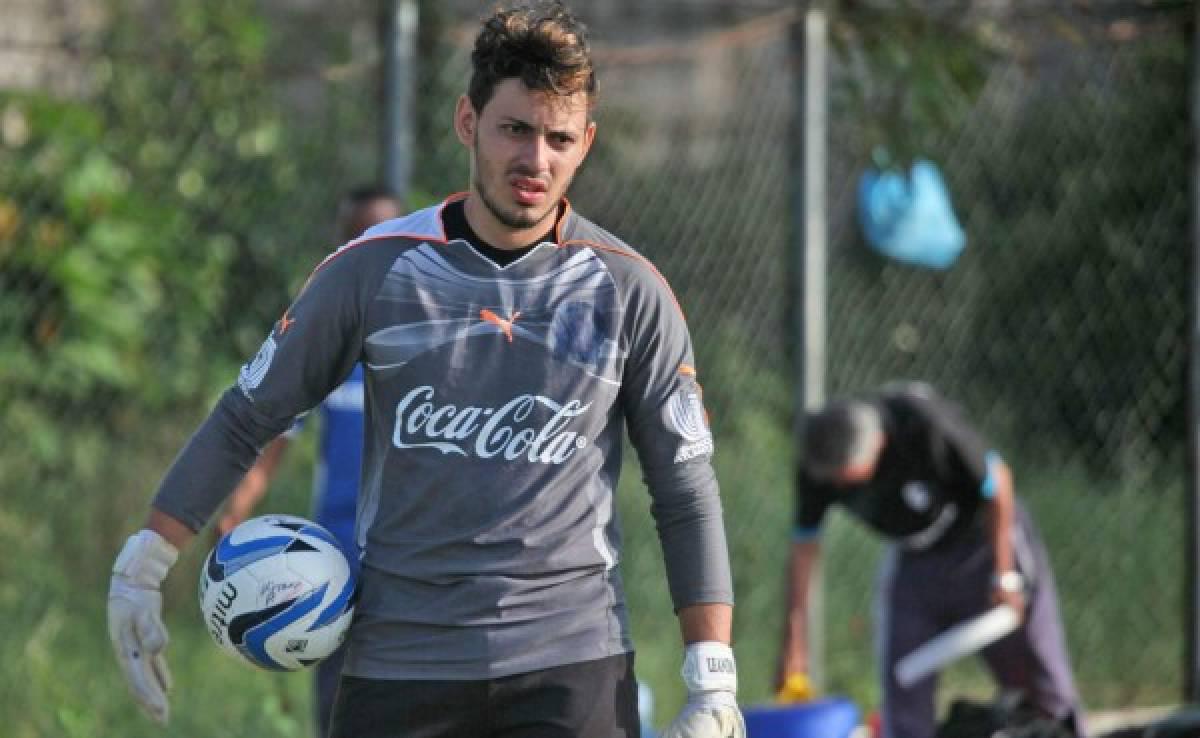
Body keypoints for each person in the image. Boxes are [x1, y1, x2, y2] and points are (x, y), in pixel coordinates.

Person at [105, 3, 745, 737]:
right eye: (515, 129)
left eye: (558, 138)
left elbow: (686, 488)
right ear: (467, 122)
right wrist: (143, 566)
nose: (536, 160)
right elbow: (249, 414)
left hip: (571, 666)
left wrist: (711, 681)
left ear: (585, 145)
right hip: (399, 665)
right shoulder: (375, 269)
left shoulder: (630, 290)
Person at [777, 381, 1086, 738]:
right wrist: (794, 642)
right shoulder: (818, 460)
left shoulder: (924, 425)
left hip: (985, 543)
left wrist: (1004, 575)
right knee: (903, 677)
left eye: (847, 480)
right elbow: (804, 548)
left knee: (1040, 679)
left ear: (876, 445)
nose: (840, 489)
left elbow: (998, 485)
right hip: (916, 560)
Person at [213, 184, 401, 738]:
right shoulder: (324, 345)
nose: (364, 249)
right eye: (352, 237)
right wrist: (237, 508)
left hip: (414, 560)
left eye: (379, 237)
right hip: (336, 566)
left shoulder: (428, 341)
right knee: (341, 709)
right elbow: (275, 435)